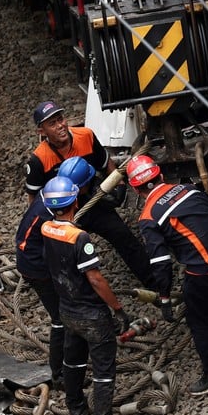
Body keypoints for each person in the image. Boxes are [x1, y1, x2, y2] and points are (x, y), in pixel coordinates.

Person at [126, 154, 208, 396]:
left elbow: (160, 262)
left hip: (206, 266)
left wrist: (165, 297)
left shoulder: (149, 217)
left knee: (196, 316)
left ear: (136, 191)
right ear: (161, 175)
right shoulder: (187, 189)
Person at [40, 176, 137, 415]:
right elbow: (95, 279)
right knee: (104, 373)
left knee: (74, 361)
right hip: (92, 315)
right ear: (75, 201)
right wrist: (118, 309)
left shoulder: (47, 228)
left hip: (67, 309)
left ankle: (77, 409)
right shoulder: (80, 238)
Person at [25, 101, 156, 289]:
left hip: (92, 200)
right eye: (52, 123)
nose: (60, 125)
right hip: (63, 211)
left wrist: (118, 184)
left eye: (60, 119)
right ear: (41, 132)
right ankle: (78, 294)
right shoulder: (38, 160)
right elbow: (33, 199)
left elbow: (105, 163)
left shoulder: (85, 136)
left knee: (123, 235)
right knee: (65, 257)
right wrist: (45, 228)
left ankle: (154, 283)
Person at [15, 188, 64, 388]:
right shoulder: (49, 215)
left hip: (31, 263)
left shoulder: (47, 197)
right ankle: (59, 374)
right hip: (36, 268)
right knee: (61, 319)